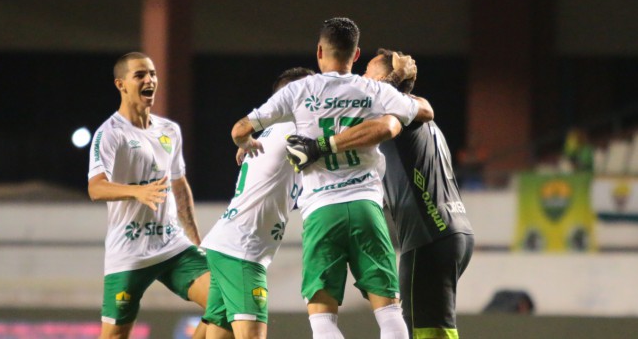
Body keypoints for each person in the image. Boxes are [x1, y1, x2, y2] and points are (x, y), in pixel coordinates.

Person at [231, 17, 433, 339]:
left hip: (322, 210)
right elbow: (424, 112)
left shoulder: (299, 90)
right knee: (390, 312)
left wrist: (246, 143)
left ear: (319, 51)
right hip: (367, 207)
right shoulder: (374, 89)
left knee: (323, 321)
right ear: (356, 56)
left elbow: (241, 128)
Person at [287, 49, 475, 339]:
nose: (362, 80)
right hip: (453, 229)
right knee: (436, 326)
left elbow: (375, 112)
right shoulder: (417, 111)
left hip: (428, 234)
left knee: (424, 331)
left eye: (368, 74)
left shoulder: (395, 113)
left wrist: (319, 146)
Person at [88, 52, 209, 339]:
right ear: (121, 85)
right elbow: (95, 187)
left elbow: (179, 186)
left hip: (172, 245)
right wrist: (136, 192)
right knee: (115, 335)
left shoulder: (170, 130)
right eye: (140, 75)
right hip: (130, 251)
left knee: (228, 301)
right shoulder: (110, 134)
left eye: (152, 74)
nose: (150, 80)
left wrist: (195, 239)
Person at [201, 67, 314, 339]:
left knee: (214, 334)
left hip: (230, 245)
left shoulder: (272, 132)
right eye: (313, 92)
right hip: (242, 250)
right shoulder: (294, 131)